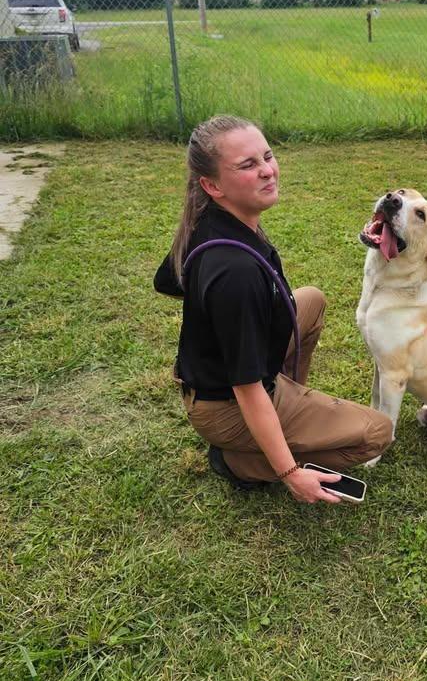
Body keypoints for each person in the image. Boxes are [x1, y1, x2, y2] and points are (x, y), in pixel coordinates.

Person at [154, 115, 393, 504]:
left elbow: (166, 282)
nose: (267, 170)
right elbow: (246, 390)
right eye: (248, 165)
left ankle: (286, 402)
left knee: (310, 300)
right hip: (226, 405)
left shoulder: (208, 219)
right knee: (376, 433)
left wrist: (219, 315)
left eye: (267, 156)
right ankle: (238, 460)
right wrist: (290, 474)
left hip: (219, 380)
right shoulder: (236, 273)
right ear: (212, 185)